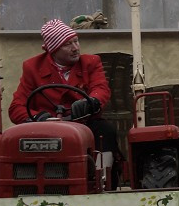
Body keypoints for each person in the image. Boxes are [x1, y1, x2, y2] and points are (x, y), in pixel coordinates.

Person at [9, 19, 121, 187]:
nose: (75, 48)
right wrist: (37, 117)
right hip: (47, 128)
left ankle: (102, 181)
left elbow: (101, 88)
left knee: (105, 131)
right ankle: (30, 183)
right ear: (53, 50)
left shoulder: (91, 63)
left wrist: (91, 102)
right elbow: (16, 107)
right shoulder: (33, 68)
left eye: (76, 41)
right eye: (67, 44)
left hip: (84, 123)